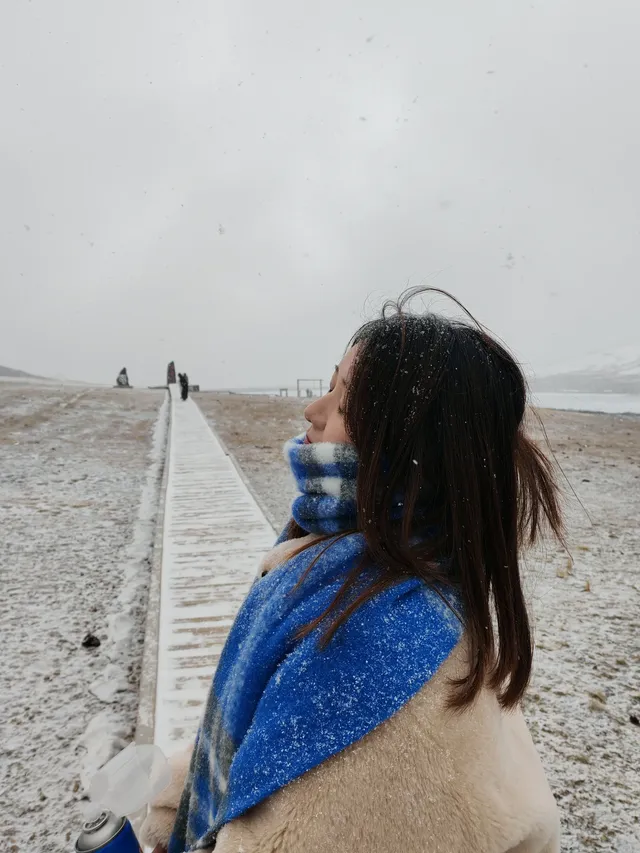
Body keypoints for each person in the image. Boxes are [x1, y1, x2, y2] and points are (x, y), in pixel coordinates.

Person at [142, 288, 563, 853]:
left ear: (405, 443)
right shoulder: (400, 562)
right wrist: (180, 793)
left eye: (342, 401)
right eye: (329, 384)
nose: (311, 411)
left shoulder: (372, 652)